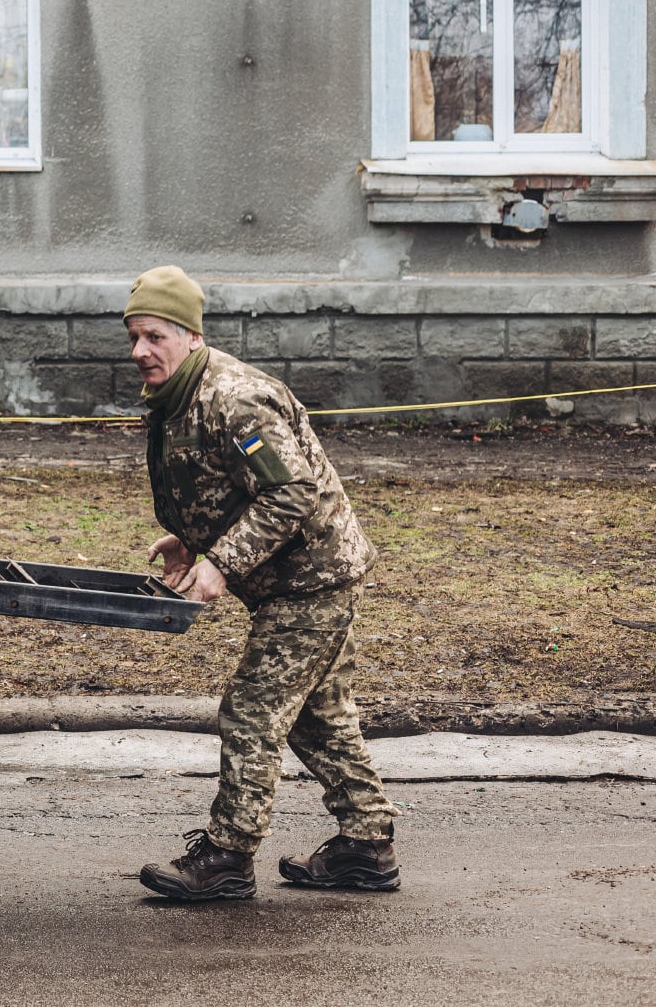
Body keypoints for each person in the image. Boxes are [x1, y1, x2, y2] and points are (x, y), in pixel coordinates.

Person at [122, 266, 402, 900]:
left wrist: (221, 560)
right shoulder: (182, 395)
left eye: (155, 337)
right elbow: (224, 482)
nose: (141, 352)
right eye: (134, 337)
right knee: (315, 715)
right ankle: (366, 846)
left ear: (190, 335)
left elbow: (292, 489)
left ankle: (226, 858)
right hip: (289, 578)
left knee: (252, 709)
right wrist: (191, 538)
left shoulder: (236, 398)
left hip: (314, 578)